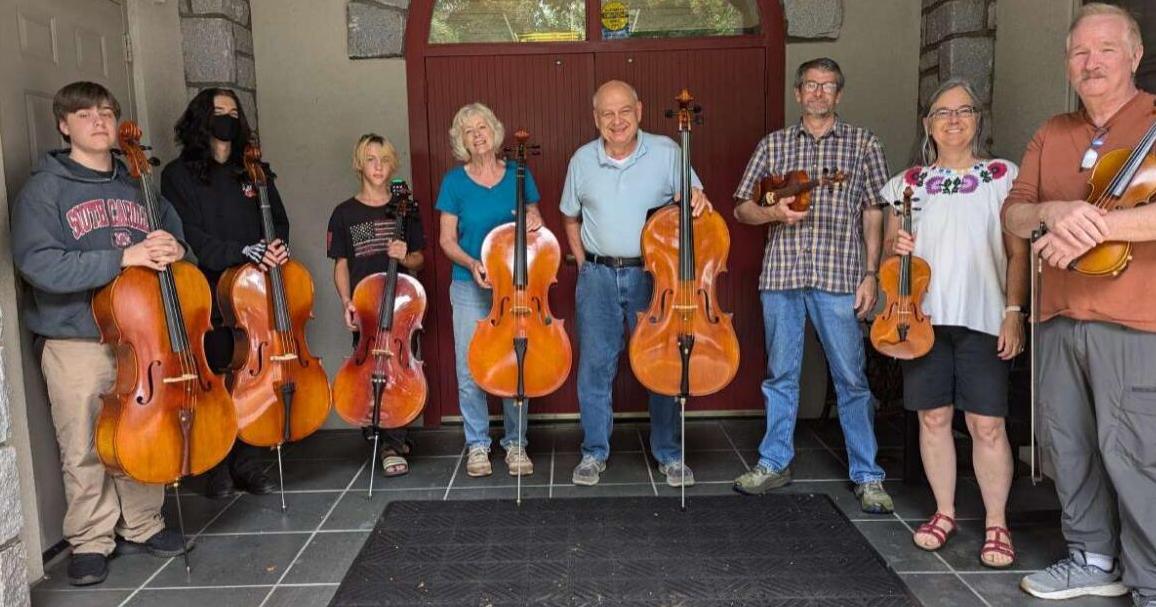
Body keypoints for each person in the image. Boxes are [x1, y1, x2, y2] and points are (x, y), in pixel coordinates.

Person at [1002, 5, 1156, 605]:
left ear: (1135, 56)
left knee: (1138, 451)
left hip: (1136, 319)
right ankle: (1092, 556)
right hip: (1059, 313)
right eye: (1079, 53)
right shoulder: (1053, 130)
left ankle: (1150, 579)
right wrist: (1053, 213)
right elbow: (1014, 211)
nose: (1090, 63)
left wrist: (1103, 228)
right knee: (1067, 443)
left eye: (1106, 50)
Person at [11, 81, 189, 586]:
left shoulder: (136, 182)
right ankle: (91, 538)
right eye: (85, 114)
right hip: (77, 338)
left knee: (142, 431)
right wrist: (121, 258)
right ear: (64, 125)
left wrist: (175, 250)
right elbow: (39, 265)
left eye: (107, 112)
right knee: (86, 442)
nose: (99, 121)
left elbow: (179, 241)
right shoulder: (44, 191)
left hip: (143, 339)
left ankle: (144, 522)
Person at [730, 57, 894, 513]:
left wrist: (871, 274)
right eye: (811, 85)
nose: (819, 92)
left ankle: (867, 474)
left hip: (840, 277)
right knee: (780, 376)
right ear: (798, 93)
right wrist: (772, 214)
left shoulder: (863, 144)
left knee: (851, 378)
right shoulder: (774, 145)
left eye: (828, 86)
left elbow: (874, 210)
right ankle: (773, 461)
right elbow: (743, 207)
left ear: (839, 95)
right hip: (782, 276)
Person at [880, 79, 1028, 567]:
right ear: (928, 125)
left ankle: (996, 524)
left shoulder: (1002, 176)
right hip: (922, 320)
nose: (953, 120)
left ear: (977, 120)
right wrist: (896, 249)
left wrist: (1014, 313)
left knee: (986, 423)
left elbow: (1016, 251)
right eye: (942, 113)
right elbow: (887, 257)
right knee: (934, 418)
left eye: (963, 111)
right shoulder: (909, 183)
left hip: (985, 316)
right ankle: (944, 512)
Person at [561, 80, 710, 488]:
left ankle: (670, 454)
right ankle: (594, 453)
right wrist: (582, 262)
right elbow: (570, 217)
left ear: (639, 111)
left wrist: (697, 197)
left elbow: (697, 203)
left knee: (662, 363)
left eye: (624, 111)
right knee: (595, 366)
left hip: (653, 276)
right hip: (597, 276)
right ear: (595, 118)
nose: (616, 121)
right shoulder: (582, 160)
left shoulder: (667, 152)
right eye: (607, 114)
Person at [160, 88, 286, 499]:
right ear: (201, 119)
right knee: (216, 371)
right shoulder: (178, 175)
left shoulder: (253, 171)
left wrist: (275, 246)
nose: (227, 119)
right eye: (218, 112)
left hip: (253, 291)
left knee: (249, 374)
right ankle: (216, 463)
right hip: (208, 289)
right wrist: (236, 252)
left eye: (234, 113)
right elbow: (188, 233)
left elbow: (278, 221)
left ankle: (247, 460)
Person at [436, 103, 537, 477]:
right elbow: (447, 240)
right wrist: (472, 264)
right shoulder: (454, 182)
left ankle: (516, 444)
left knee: (516, 362)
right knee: (470, 367)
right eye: (468, 131)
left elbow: (537, 223)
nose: (477, 135)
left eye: (482, 127)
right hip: (469, 285)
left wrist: (532, 221)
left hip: (516, 287)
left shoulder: (519, 174)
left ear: (494, 131)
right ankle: (478, 445)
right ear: (460, 140)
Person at [327, 133, 425, 476]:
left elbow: (418, 261)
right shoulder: (344, 213)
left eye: (384, 159)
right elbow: (340, 263)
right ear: (359, 164)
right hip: (366, 307)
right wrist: (346, 302)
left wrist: (405, 255)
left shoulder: (406, 209)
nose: (378, 166)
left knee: (398, 371)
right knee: (368, 371)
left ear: (392, 164)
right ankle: (378, 430)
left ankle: (392, 441)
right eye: (371, 159)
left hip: (399, 309)